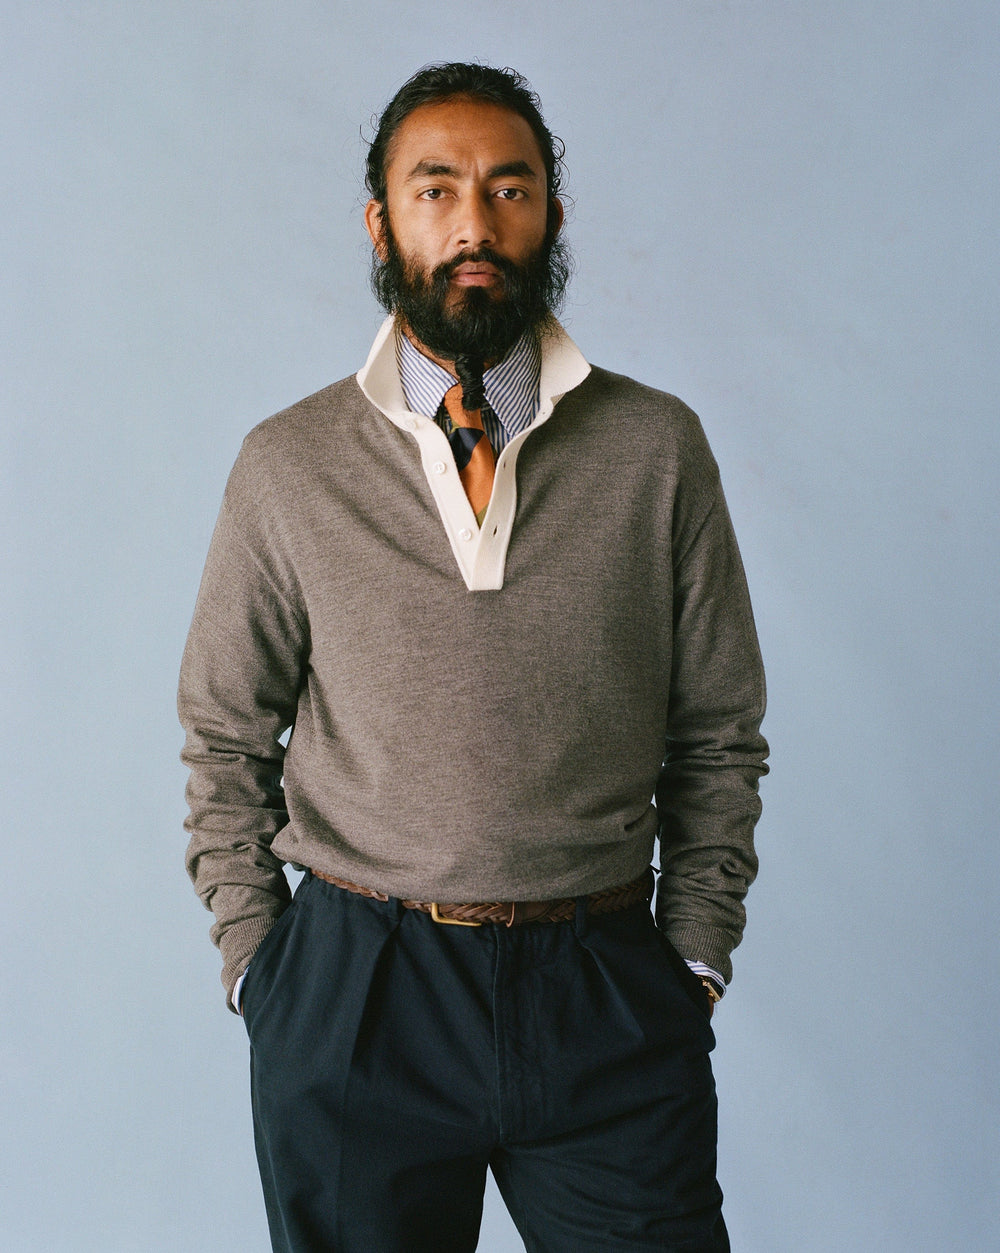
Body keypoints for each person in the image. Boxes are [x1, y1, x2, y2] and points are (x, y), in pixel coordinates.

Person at [179, 61, 768, 1253]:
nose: (473, 224)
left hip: (603, 981)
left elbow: (717, 727)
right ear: (381, 222)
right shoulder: (289, 463)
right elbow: (224, 732)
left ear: (550, 213)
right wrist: (260, 966)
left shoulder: (656, 449)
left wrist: (695, 951)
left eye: (509, 188)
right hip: (359, 988)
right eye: (435, 189)